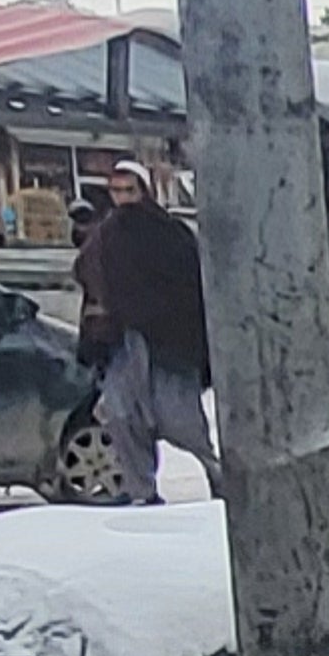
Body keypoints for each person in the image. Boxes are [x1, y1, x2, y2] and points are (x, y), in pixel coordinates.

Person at [72, 159, 216, 500]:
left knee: (181, 422)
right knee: (122, 417)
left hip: (168, 346)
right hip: (122, 345)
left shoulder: (169, 234)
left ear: (145, 191)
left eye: (129, 190)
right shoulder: (103, 237)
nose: (123, 199)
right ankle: (142, 492)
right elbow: (90, 281)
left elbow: (191, 286)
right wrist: (94, 337)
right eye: (116, 191)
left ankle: (219, 477)